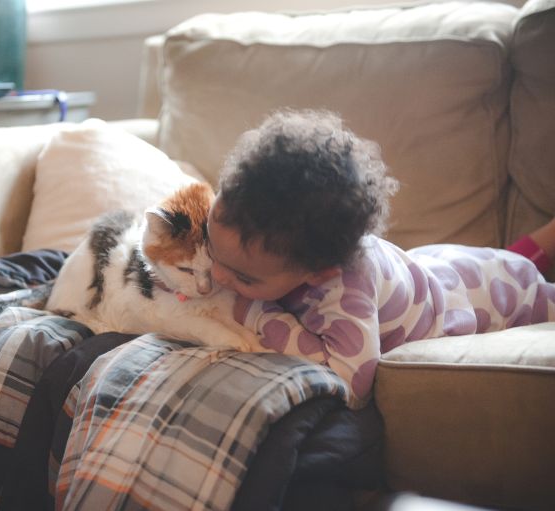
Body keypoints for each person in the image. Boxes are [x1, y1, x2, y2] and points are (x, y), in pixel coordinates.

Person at [205, 109, 555, 408]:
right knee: (505, 266)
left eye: (243, 278)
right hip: (438, 269)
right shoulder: (262, 238)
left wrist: (255, 313)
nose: (216, 276)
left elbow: (351, 382)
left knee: (521, 283)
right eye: (210, 248)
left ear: (318, 273)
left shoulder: (346, 295)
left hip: (479, 297)